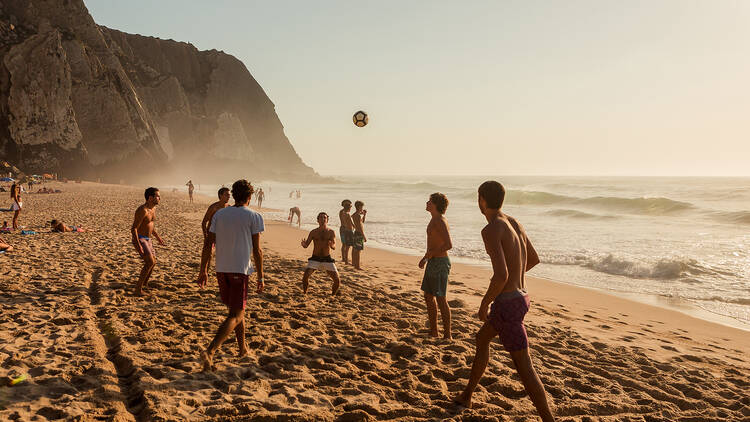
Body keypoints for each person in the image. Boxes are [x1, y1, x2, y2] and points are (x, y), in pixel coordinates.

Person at [453, 181, 554, 421]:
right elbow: (533, 259)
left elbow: (500, 275)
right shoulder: (514, 222)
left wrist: (484, 303)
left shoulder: (491, 229)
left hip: (508, 304)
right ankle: (467, 395)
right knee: (482, 338)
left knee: (524, 366)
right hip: (522, 297)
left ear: (482, 200)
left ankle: (549, 419)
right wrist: (514, 285)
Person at [196, 179, 264, 371]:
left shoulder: (220, 214)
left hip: (221, 269)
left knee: (235, 310)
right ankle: (210, 351)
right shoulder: (254, 216)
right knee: (236, 314)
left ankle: (242, 349)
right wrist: (261, 277)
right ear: (250, 197)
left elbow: (208, 244)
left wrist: (203, 270)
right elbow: (258, 251)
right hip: (239, 270)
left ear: (233, 195)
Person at [419, 193, 453, 340]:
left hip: (440, 262)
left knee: (440, 298)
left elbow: (448, 244)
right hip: (433, 261)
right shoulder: (434, 219)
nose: (427, 203)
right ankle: (434, 330)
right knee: (428, 296)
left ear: (436, 205)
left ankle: (448, 334)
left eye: (430, 201)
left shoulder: (440, 220)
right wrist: (426, 257)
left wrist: (430, 255)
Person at [131, 187, 165, 297]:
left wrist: (157, 237)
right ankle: (138, 289)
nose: (159, 198)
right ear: (150, 198)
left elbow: (150, 225)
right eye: (157, 196)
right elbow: (134, 228)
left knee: (153, 262)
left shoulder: (153, 209)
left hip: (148, 239)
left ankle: (144, 284)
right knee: (149, 262)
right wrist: (138, 244)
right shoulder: (142, 210)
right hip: (140, 238)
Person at [300, 212, 340, 295]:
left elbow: (334, 246)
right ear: (317, 220)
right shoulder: (313, 232)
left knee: (337, 280)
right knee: (305, 277)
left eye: (324, 218)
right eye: (321, 218)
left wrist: (331, 245)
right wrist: (304, 244)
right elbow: (306, 245)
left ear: (327, 220)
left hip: (327, 258)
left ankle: (333, 295)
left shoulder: (331, 232)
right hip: (315, 258)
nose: (323, 219)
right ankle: (305, 293)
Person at [338, 200, 355, 264]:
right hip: (345, 229)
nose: (351, 207)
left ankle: (344, 258)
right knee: (346, 244)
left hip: (344, 229)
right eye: (350, 206)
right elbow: (349, 221)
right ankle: (345, 258)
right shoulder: (344, 212)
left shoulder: (343, 212)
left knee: (344, 244)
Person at [351, 200, 367, 270]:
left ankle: (354, 264)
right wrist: (364, 236)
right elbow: (360, 227)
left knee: (355, 249)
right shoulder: (357, 215)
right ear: (359, 207)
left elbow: (362, 222)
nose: (362, 208)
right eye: (362, 207)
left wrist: (364, 215)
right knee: (358, 250)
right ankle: (357, 266)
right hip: (359, 233)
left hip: (356, 233)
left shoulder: (355, 215)